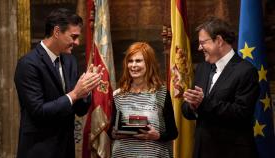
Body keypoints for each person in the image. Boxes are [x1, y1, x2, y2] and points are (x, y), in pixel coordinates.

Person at [14, 8, 102, 158]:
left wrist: (86, 89)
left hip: (66, 149)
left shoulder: (70, 61)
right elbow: (38, 112)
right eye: (73, 37)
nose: (77, 42)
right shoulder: (28, 64)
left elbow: (80, 110)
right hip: (39, 150)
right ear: (56, 32)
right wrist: (74, 94)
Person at [182, 17, 260, 158]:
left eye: (202, 43)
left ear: (218, 41)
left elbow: (242, 113)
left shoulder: (246, 71)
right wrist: (192, 106)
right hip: (202, 150)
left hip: (231, 152)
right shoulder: (202, 68)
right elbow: (188, 108)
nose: (199, 48)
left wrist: (202, 103)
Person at [110, 42, 178, 158]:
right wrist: (114, 133)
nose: (133, 65)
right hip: (122, 154)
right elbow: (111, 131)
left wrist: (157, 136)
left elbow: (173, 133)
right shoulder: (118, 95)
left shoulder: (161, 93)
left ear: (149, 63)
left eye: (138, 61)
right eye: (130, 61)